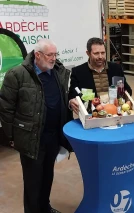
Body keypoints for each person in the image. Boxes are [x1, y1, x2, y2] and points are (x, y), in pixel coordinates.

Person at [0, 39, 73, 213]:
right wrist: (11, 136)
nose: (54, 58)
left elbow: (62, 98)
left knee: (48, 175)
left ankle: (45, 207)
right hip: (32, 138)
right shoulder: (17, 74)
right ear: (38, 55)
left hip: (53, 136)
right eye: (50, 55)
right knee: (33, 181)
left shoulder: (58, 72)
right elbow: (5, 107)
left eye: (55, 54)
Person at [68, 37, 132, 113]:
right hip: (91, 114)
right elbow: (72, 94)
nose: (100, 57)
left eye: (103, 53)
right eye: (96, 53)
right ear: (88, 53)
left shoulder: (116, 68)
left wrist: (126, 99)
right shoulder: (78, 72)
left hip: (114, 112)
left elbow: (127, 90)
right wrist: (71, 101)